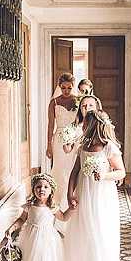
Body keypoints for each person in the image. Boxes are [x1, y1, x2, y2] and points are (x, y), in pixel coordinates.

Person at [66, 105, 126, 261]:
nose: (83, 127)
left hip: (102, 196)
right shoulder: (83, 147)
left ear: (94, 126)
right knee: (87, 231)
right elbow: (75, 172)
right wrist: (69, 193)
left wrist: (105, 175)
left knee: (103, 233)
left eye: (87, 124)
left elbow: (121, 172)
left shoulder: (109, 147)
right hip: (85, 194)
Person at [2, 173, 74, 261]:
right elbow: (21, 219)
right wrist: (12, 228)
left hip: (47, 239)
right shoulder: (29, 206)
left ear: (51, 190)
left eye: (46, 187)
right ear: (33, 189)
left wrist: (72, 209)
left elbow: (63, 217)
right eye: (38, 187)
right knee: (34, 259)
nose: (42, 189)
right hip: (31, 237)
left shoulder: (52, 207)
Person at [47, 73, 78, 214]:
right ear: (59, 87)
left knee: (73, 169)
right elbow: (50, 125)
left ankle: (72, 200)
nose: (66, 91)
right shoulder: (54, 102)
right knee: (60, 169)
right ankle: (58, 203)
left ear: (73, 87)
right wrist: (48, 145)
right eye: (64, 87)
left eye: (69, 88)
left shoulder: (78, 101)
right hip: (59, 139)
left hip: (75, 139)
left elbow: (82, 122)